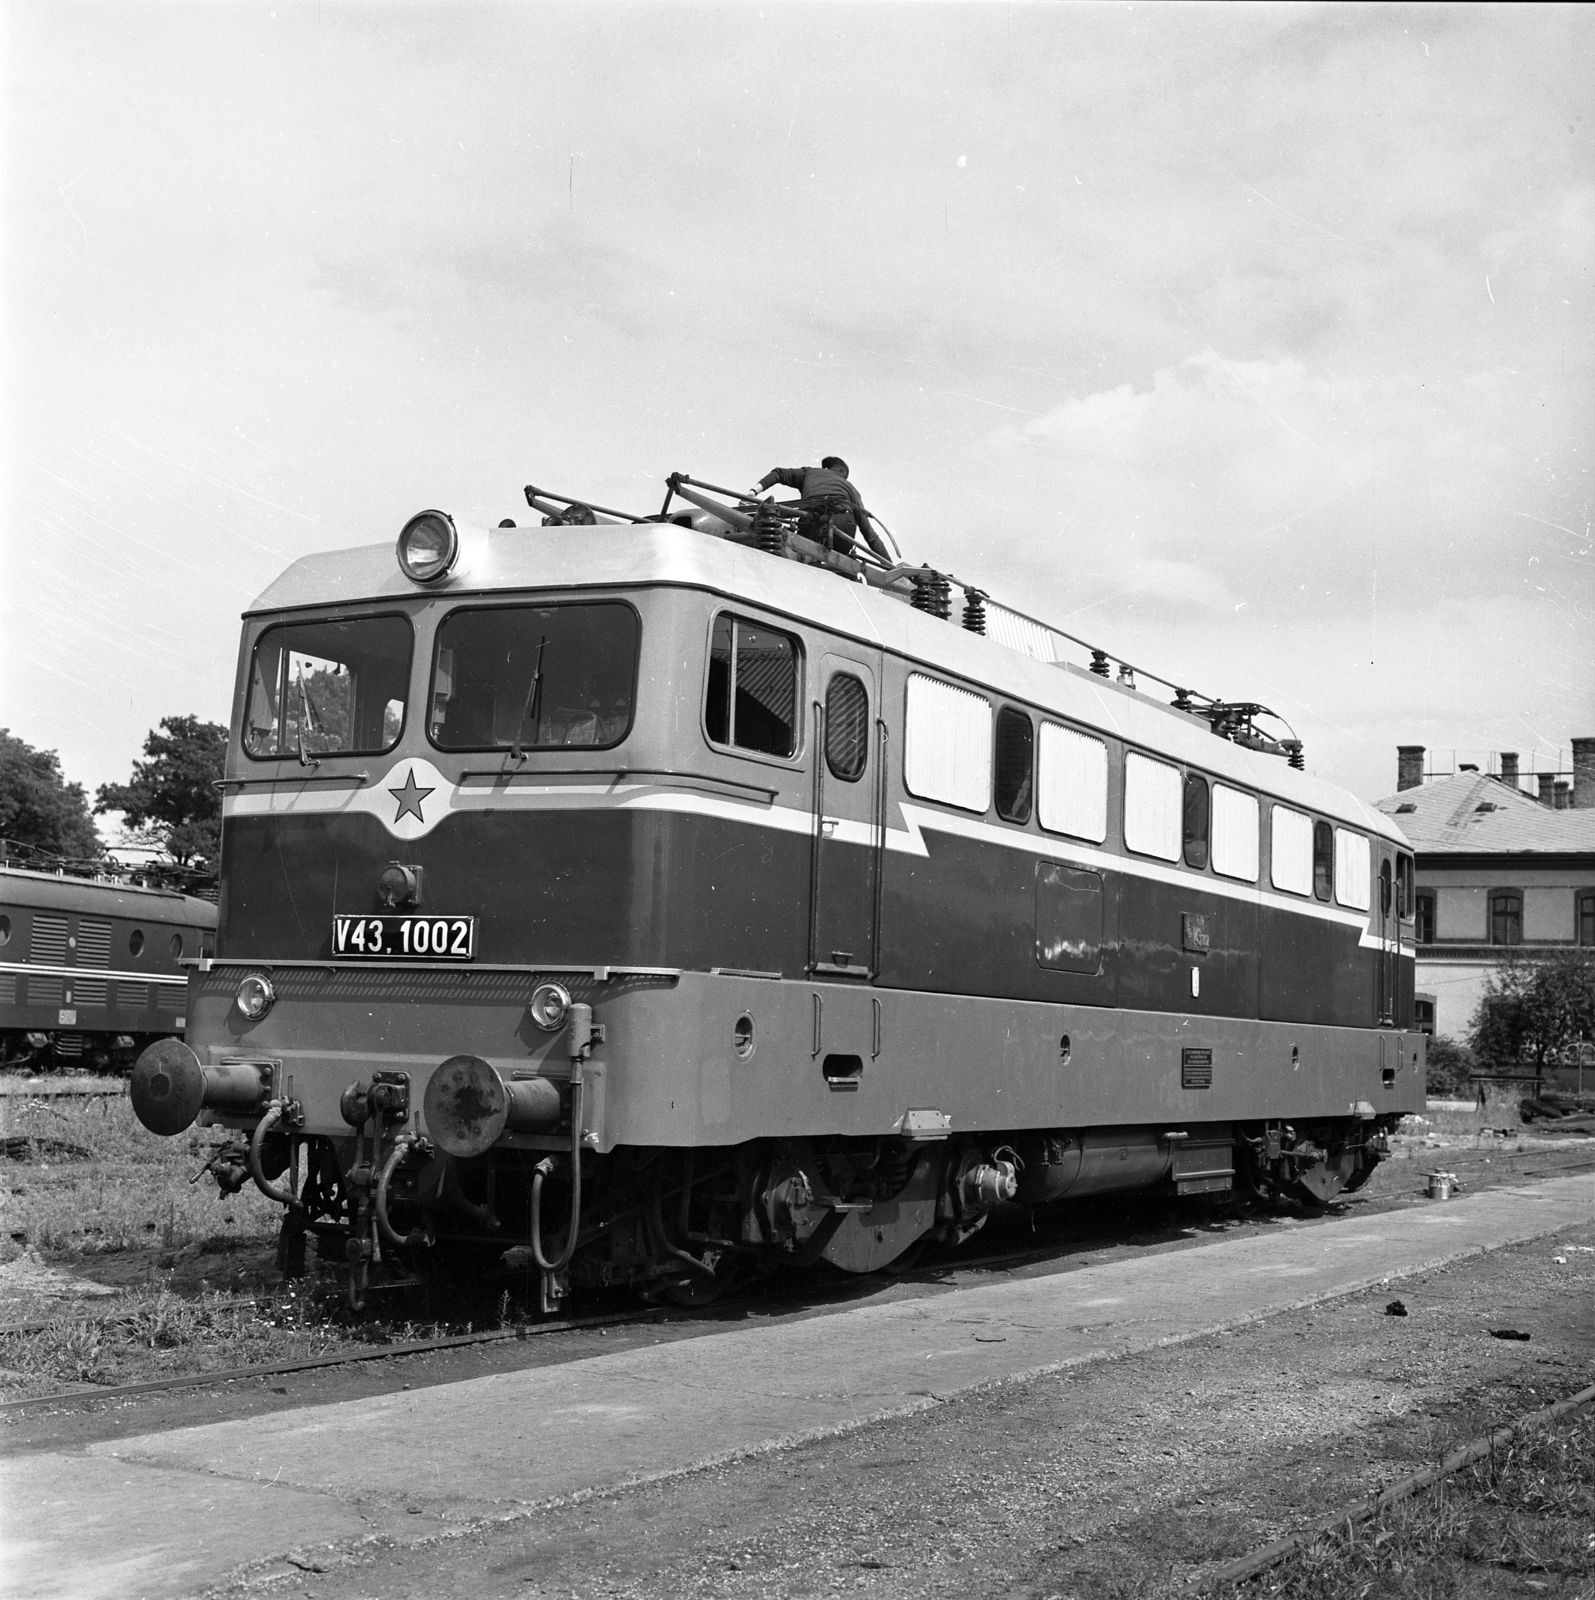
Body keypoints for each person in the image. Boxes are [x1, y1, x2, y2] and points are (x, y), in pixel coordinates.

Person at [748, 457, 891, 561]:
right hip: (840, 531)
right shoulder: (850, 489)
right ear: (844, 475)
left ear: (826, 469)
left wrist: (754, 491)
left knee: (801, 546)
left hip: (810, 524)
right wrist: (889, 565)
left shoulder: (810, 473)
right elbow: (870, 535)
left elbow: (779, 473)